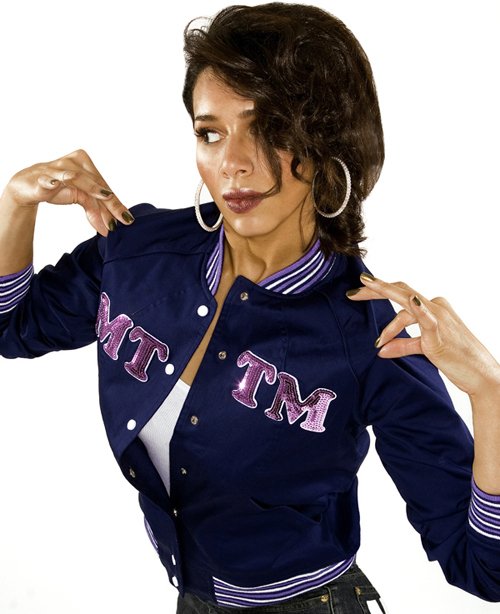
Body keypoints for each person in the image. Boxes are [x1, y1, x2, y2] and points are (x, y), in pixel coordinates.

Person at [1, 2, 499, 613]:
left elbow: (483, 566)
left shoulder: (372, 333)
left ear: (328, 141)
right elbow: (12, 326)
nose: (233, 162)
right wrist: (16, 203)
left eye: (269, 128)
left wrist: (491, 391)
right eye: (211, 132)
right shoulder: (137, 253)